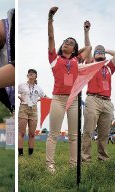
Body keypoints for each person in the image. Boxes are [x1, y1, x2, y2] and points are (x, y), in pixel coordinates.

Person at [46, 7, 92, 173]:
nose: (67, 42)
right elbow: (51, 37)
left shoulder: (77, 61)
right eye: (66, 41)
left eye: (71, 43)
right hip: (57, 99)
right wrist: (50, 18)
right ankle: (50, 165)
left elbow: (88, 49)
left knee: (74, 136)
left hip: (73, 100)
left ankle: (73, 165)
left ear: (74, 49)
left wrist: (84, 34)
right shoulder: (54, 58)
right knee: (53, 134)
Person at [81, 20, 115, 162]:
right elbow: (88, 47)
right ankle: (86, 160)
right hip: (93, 99)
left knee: (104, 133)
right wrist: (86, 32)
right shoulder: (91, 65)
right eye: (97, 52)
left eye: (101, 52)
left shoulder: (108, 67)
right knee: (88, 131)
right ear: (94, 55)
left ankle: (103, 159)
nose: (99, 53)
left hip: (107, 102)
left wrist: (104, 49)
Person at [18, 69, 47, 156]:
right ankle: (20, 153)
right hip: (24, 107)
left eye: (33, 73)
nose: (31, 74)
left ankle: (30, 154)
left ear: (36, 76)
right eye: (29, 73)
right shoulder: (21, 85)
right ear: (27, 75)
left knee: (32, 133)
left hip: (33, 109)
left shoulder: (38, 88)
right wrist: (19, 97)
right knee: (22, 132)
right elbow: (14, 91)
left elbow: (45, 97)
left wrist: (54, 100)